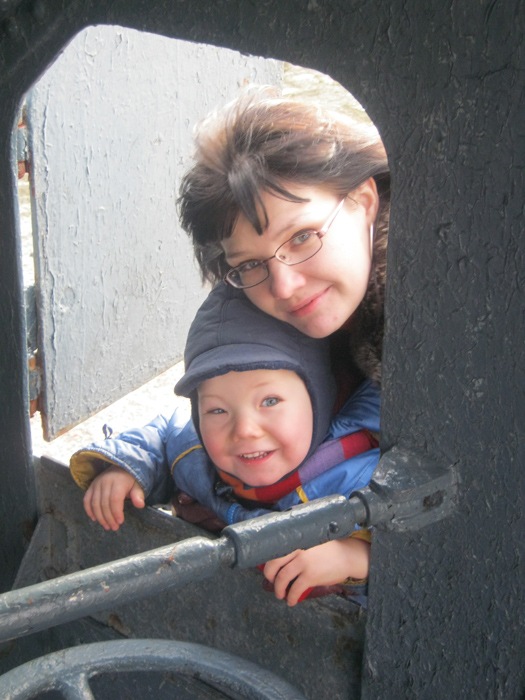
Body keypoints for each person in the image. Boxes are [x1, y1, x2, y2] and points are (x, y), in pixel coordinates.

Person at [70, 283, 380, 607]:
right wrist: (127, 469)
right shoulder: (198, 451)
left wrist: (355, 558)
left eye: (269, 401)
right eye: (217, 410)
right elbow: (163, 436)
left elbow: (414, 559)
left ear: (319, 400)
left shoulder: (362, 475)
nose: (244, 430)